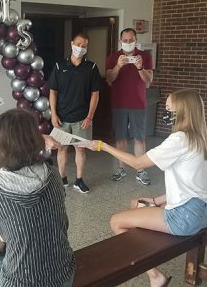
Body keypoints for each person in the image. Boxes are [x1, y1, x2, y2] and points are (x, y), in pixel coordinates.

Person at [80, 89, 207, 286]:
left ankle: (155, 275)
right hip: (200, 211)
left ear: (182, 111)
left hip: (184, 217)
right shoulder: (200, 138)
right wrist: (156, 200)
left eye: (169, 109)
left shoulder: (179, 139)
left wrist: (102, 146)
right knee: (137, 204)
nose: (165, 113)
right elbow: (192, 186)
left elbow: (138, 163)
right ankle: (151, 252)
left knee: (117, 222)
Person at [0, 109, 75, 287]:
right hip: (64, 274)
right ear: (37, 138)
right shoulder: (54, 175)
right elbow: (59, 223)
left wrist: (3, 238)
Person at [48, 33, 101, 193]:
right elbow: (53, 91)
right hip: (61, 118)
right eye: (78, 44)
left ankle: (79, 180)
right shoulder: (59, 66)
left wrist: (90, 116)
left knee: (80, 149)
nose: (80, 48)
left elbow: (95, 94)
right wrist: (53, 114)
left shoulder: (91, 67)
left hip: (82, 119)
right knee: (61, 148)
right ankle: (62, 179)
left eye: (84, 45)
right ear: (72, 43)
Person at [106, 28, 153, 185]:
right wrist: (118, 66)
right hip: (119, 104)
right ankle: (120, 169)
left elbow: (148, 80)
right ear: (120, 41)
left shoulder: (144, 56)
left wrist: (140, 67)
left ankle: (141, 170)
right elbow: (109, 78)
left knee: (139, 138)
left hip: (138, 104)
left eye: (130, 40)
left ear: (136, 39)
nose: (128, 43)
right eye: (125, 40)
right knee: (120, 138)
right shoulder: (113, 57)